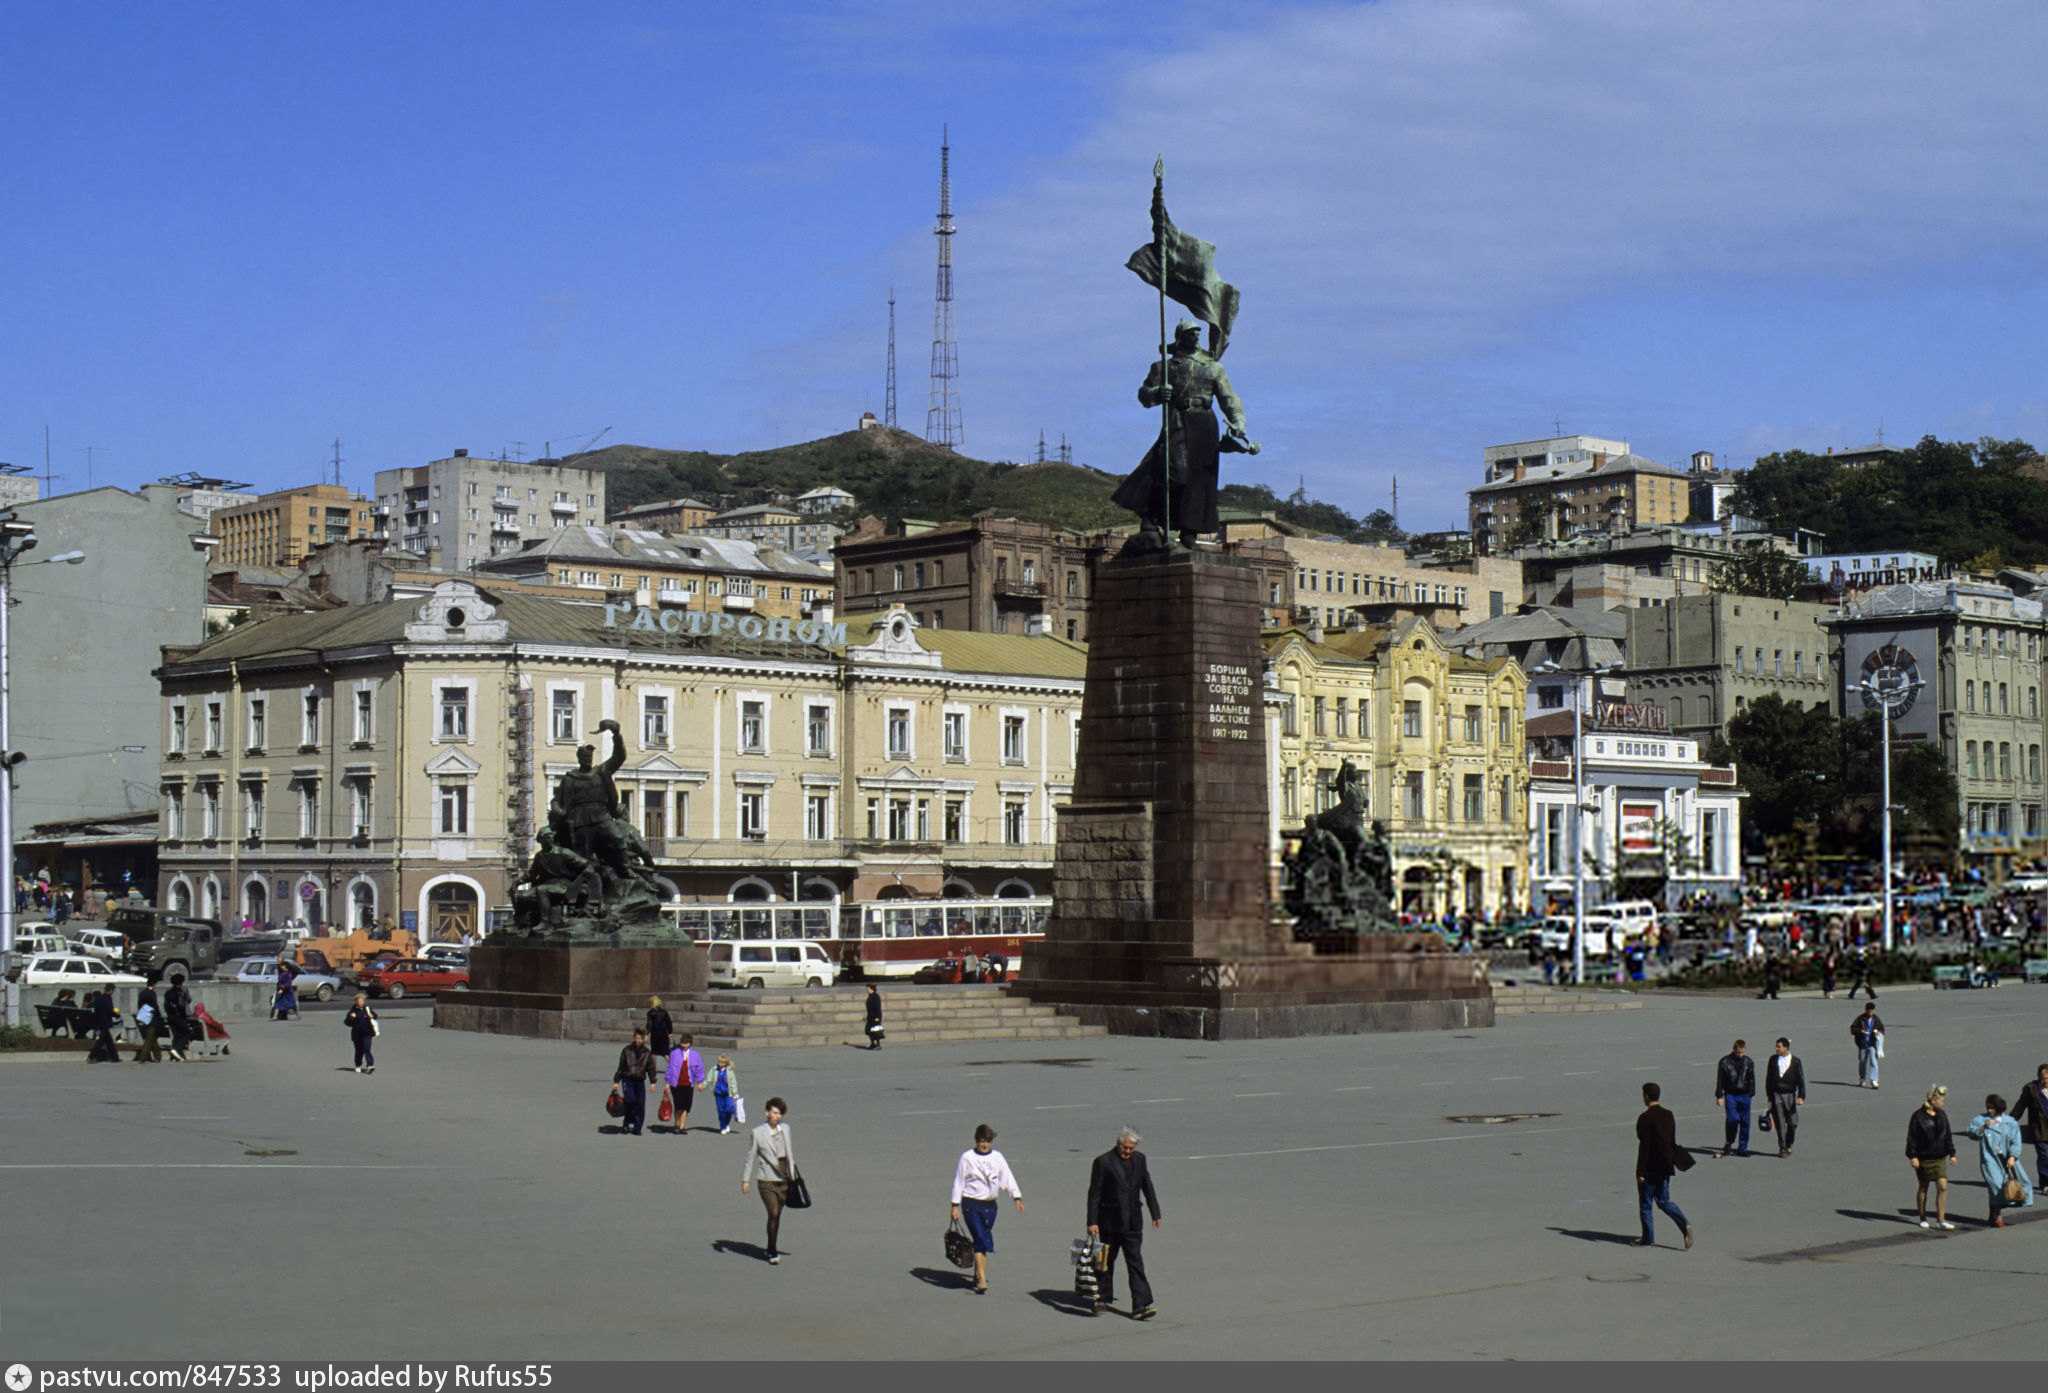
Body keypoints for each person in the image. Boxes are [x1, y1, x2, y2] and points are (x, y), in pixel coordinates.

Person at [1111, 316, 1259, 548]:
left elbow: (1229, 399)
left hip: (1205, 425)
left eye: (1198, 333)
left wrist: (1238, 422)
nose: (1197, 336)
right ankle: (1151, 516)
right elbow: (1144, 394)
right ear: (1180, 338)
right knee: (1174, 473)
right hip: (1178, 419)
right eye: (1191, 333)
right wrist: (1158, 392)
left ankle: (1189, 532)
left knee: (1201, 481)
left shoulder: (1213, 368)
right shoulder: (1164, 367)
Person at [1086, 1126, 1163, 1319]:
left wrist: (1155, 1212)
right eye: (1125, 1148)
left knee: (1135, 1263)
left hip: (1133, 1222)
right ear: (1118, 1144)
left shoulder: (1140, 1160)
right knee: (1106, 1262)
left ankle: (1141, 1305)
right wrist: (1092, 1221)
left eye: (1131, 1148)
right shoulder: (1103, 1162)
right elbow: (1094, 1194)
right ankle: (1101, 1299)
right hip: (1109, 1223)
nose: (1128, 1152)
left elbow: (1147, 1185)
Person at [949, 1123, 1025, 1295]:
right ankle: (982, 1278)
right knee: (980, 1237)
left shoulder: (997, 1157)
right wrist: (955, 1205)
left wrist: (1016, 1197)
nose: (984, 1145)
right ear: (976, 1141)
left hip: (990, 1206)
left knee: (982, 1240)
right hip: (971, 1204)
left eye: (988, 1141)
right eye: (982, 1141)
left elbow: (1007, 1177)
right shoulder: (967, 1157)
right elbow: (958, 1182)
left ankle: (977, 1273)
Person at [1634, 1081, 1696, 1249]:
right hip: (1666, 1165)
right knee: (1664, 1201)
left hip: (1650, 1167)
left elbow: (1645, 1147)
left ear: (1646, 1096)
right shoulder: (1668, 1114)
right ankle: (1684, 1224)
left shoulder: (1645, 1118)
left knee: (1646, 1204)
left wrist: (1640, 1171)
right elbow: (1671, 1141)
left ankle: (1648, 1238)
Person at [740, 1097, 798, 1264]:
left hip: (785, 1178)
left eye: (779, 1113)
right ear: (767, 1113)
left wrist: (792, 1176)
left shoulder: (785, 1129)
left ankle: (770, 1245)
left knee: (777, 1215)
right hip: (766, 1180)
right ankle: (772, 1252)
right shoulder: (757, 1133)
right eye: (774, 1112)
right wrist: (745, 1180)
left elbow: (790, 1154)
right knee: (773, 1212)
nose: (777, 1116)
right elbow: (750, 1158)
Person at [1965, 1094, 2034, 1227]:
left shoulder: (2010, 1122)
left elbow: (2016, 1141)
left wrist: (2013, 1156)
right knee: (1996, 1185)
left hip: (2007, 1158)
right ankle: (1997, 1213)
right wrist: (1982, 1128)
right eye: (1988, 1108)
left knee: (2020, 1184)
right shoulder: (1980, 1119)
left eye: (1992, 1108)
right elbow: (1971, 1132)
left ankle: (1995, 1211)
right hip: (1990, 1158)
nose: (1989, 1110)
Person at [1907, 1084, 1958, 1230]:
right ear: (1932, 1100)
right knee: (1924, 1186)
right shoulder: (1918, 1116)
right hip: (1924, 1157)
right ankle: (1922, 1217)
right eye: (1941, 1100)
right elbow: (1912, 1138)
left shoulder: (1942, 1115)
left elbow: (1947, 1135)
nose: (1943, 1102)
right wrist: (1913, 1156)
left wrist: (1952, 1153)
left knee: (1942, 1185)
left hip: (1939, 1157)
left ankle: (1941, 1219)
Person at [2007, 1063, 2048, 1191]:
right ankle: (2045, 1183)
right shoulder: (2031, 1089)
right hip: (2039, 1129)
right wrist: (2008, 1123)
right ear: (2038, 1077)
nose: (2045, 1081)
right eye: (2043, 1078)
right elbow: (2020, 1107)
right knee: (2045, 1156)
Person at [1713, 1039, 1756, 1158]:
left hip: (1744, 1094)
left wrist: (1751, 1093)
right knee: (1733, 1119)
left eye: (1742, 1053)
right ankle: (1729, 1141)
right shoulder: (1725, 1062)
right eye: (1738, 1053)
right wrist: (1719, 1096)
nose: (1740, 1055)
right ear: (1734, 1050)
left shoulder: (1748, 1062)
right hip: (1731, 1094)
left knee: (1745, 1122)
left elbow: (1751, 1078)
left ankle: (1742, 1148)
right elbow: (1720, 1080)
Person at [1764, 1037, 1806, 1157]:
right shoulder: (1772, 1060)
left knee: (1793, 1122)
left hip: (1790, 1095)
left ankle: (1789, 1142)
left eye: (1779, 1046)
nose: (1776, 1048)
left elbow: (1801, 1079)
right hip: (1776, 1095)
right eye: (1776, 1046)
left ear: (1786, 1047)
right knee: (1780, 1123)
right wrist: (1769, 1096)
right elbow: (1768, 1079)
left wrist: (1801, 1096)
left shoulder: (1796, 1061)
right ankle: (1782, 1148)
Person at [613, 1028, 657, 1136]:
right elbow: (621, 1067)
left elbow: (651, 1068)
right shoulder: (626, 1050)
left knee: (640, 1104)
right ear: (634, 1037)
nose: (639, 1040)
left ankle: (637, 1127)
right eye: (637, 1038)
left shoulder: (647, 1053)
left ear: (644, 1039)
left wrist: (652, 1082)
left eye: (641, 1038)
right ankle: (627, 1122)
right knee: (630, 1100)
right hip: (628, 1079)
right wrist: (616, 1081)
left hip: (640, 1080)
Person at [666, 1033, 705, 1135]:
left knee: (686, 1106)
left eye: (686, 1043)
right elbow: (670, 1068)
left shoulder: (695, 1055)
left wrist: (700, 1082)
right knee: (678, 1105)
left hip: (688, 1084)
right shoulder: (674, 1053)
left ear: (690, 1044)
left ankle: (682, 1126)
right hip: (676, 1083)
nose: (684, 1045)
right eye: (683, 1043)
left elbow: (699, 1069)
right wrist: (667, 1081)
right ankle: (676, 1124)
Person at [1851, 1003, 1885, 1088]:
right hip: (1862, 1044)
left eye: (1872, 1011)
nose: (1870, 1013)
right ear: (1866, 1010)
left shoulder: (1876, 1019)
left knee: (1874, 1062)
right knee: (1862, 1062)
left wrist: (1878, 1032)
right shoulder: (1860, 1019)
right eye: (1869, 1011)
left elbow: (1882, 1029)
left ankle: (1874, 1080)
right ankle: (1862, 1079)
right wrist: (1860, 1031)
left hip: (1872, 1044)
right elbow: (1853, 1028)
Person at [343, 993, 378, 1073]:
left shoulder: (367, 1009)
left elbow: (375, 1016)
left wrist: (372, 1015)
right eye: (359, 1001)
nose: (361, 1002)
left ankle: (370, 1065)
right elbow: (347, 1022)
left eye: (362, 1001)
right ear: (356, 1002)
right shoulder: (352, 1011)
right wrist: (352, 1018)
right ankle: (358, 1065)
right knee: (359, 1050)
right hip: (357, 1034)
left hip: (367, 1033)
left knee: (367, 1048)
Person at [162, 973, 193, 1061]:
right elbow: (184, 1004)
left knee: (177, 1035)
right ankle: (176, 1049)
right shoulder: (181, 992)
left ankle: (174, 1056)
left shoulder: (168, 992)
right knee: (188, 1032)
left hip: (170, 1016)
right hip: (179, 1016)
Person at [131, 980, 162, 1063]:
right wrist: (159, 1015)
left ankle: (158, 1055)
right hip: (152, 1017)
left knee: (151, 1036)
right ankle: (143, 1057)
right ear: (153, 984)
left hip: (144, 1016)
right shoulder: (152, 993)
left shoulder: (142, 993)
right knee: (149, 1038)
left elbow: (139, 1005)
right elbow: (155, 1005)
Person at [87, 987, 119, 1063]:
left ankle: (115, 1057)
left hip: (100, 1021)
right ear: (111, 990)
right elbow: (109, 1010)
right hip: (106, 1021)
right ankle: (91, 1056)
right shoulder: (108, 998)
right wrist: (116, 1015)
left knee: (109, 1041)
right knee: (101, 1040)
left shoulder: (99, 998)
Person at [711, 1054, 741, 1134]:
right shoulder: (715, 1070)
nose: (720, 1064)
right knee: (721, 1111)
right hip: (718, 1093)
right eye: (719, 1062)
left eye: (722, 1063)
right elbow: (709, 1078)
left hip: (728, 1093)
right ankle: (723, 1126)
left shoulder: (729, 1071)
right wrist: (703, 1084)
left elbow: (733, 1083)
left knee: (729, 1109)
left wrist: (735, 1093)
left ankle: (727, 1123)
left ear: (726, 1063)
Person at [272, 957, 299, 1021]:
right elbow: (280, 980)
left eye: (280, 962)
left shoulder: (288, 973)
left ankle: (297, 1015)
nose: (279, 964)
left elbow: (288, 982)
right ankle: (276, 1016)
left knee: (291, 1003)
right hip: (281, 989)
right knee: (278, 1003)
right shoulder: (281, 971)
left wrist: (282, 988)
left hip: (287, 991)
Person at [864, 984, 884, 1050]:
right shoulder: (870, 996)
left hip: (875, 1017)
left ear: (872, 989)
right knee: (869, 1030)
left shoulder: (876, 996)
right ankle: (872, 1043)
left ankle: (878, 1044)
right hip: (870, 1016)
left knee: (876, 1031)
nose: (867, 990)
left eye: (868, 989)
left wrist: (877, 1017)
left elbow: (878, 1007)